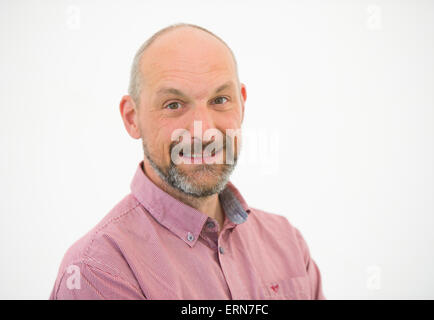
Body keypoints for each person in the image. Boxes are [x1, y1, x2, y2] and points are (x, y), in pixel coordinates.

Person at [49, 23, 325, 300]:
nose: (203, 131)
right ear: (132, 117)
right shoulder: (97, 271)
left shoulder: (287, 242)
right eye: (173, 105)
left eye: (220, 99)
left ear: (241, 105)